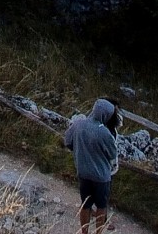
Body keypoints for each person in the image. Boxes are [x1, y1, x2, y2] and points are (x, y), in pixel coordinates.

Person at [62, 97, 119, 232]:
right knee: (101, 206)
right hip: (101, 177)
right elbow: (112, 154)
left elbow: (68, 142)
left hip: (83, 172)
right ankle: (98, 231)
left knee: (85, 205)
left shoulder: (78, 124)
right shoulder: (104, 133)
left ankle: (84, 232)